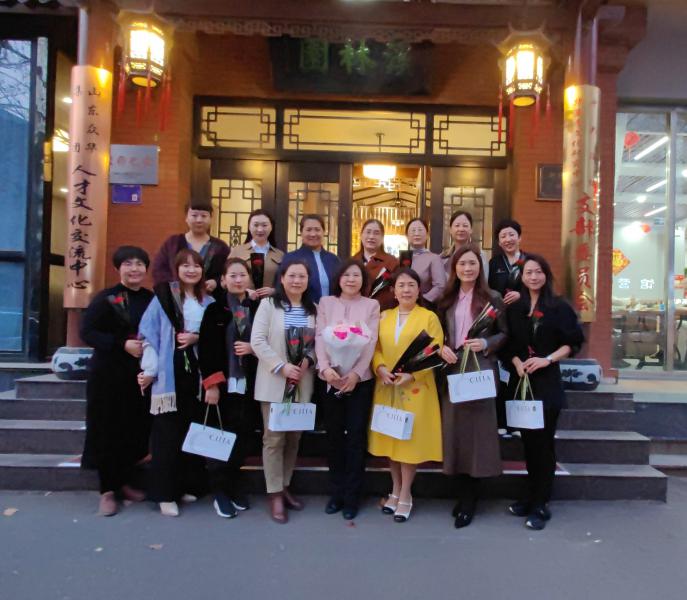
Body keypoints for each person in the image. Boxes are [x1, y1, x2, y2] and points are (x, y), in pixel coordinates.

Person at [503, 254, 584, 531]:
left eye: (538, 271)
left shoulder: (558, 306)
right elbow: (508, 344)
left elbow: (572, 343)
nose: (533, 277)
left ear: (546, 275)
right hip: (522, 382)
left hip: (546, 382)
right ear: (522, 277)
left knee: (544, 444)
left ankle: (541, 502)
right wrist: (517, 363)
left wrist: (546, 360)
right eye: (528, 272)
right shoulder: (516, 308)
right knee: (528, 443)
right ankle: (530, 495)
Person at [138, 248, 214, 517]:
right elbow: (149, 334)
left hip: (198, 373)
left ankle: (185, 485)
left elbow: (215, 337)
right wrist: (149, 369)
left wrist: (197, 338)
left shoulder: (208, 301)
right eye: (186, 266)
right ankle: (164, 494)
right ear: (177, 269)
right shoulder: (163, 298)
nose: (191, 270)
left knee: (190, 431)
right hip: (169, 373)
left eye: (196, 266)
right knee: (167, 435)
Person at [437, 244, 507, 529]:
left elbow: (504, 334)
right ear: (454, 268)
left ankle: (470, 499)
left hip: (480, 369)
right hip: (453, 369)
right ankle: (460, 492)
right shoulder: (446, 300)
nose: (467, 268)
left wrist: (486, 342)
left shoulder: (492, 298)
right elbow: (438, 333)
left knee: (477, 434)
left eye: (472, 263)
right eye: (462, 263)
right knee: (455, 432)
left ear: (480, 267)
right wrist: (441, 347)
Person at [81, 246, 154, 517]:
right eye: (128, 264)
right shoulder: (106, 298)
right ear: (118, 268)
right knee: (106, 430)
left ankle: (124, 482)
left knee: (132, 429)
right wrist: (121, 344)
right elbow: (87, 331)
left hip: (139, 376)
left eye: (139, 264)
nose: (134, 269)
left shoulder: (150, 299)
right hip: (108, 375)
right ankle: (107, 491)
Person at [368, 268, 444, 523]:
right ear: (394, 291)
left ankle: (405, 494)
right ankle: (395, 489)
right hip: (387, 386)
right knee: (391, 440)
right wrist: (379, 367)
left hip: (415, 388)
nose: (406, 290)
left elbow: (435, 349)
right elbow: (375, 347)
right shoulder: (384, 317)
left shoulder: (429, 317)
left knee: (408, 443)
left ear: (419, 289)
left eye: (411, 285)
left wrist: (412, 375)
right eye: (401, 285)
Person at [250, 260, 317, 523]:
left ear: (308, 281)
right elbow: (257, 341)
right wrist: (282, 366)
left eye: (302, 276)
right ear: (282, 278)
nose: (297, 281)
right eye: (292, 276)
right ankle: (274, 493)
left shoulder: (314, 309)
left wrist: (308, 361)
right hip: (274, 381)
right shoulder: (269, 305)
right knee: (274, 439)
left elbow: (319, 343)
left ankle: (285, 484)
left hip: (302, 381)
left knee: (294, 437)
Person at [315, 259, 380, 520]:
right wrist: (325, 369)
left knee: (355, 437)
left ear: (363, 280)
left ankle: (352, 496)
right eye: (346, 275)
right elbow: (320, 337)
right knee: (333, 437)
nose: (351, 280)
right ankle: (336, 493)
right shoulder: (326, 303)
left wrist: (356, 373)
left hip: (359, 382)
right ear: (338, 279)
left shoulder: (371, 305)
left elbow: (371, 342)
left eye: (356, 275)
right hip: (330, 380)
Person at [198, 257, 261, 518]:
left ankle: (234, 485)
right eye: (232, 275)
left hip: (251, 383)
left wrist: (253, 348)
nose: (238, 280)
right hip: (223, 384)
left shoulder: (257, 308)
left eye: (242, 275)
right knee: (220, 437)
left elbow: (270, 341)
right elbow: (206, 349)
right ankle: (220, 491)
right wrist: (212, 385)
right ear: (223, 280)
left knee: (243, 436)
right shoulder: (215, 310)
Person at [151, 200, 230, 298]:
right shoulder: (173, 243)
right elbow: (159, 270)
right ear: (186, 218)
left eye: (204, 216)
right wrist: (176, 286)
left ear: (211, 218)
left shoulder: (221, 247)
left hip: (210, 300)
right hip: (176, 299)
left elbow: (228, 272)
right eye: (194, 215)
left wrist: (216, 282)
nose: (199, 220)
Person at [281, 214, 340, 303]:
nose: (313, 234)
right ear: (301, 232)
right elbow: (280, 288)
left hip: (331, 310)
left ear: (324, 232)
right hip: (302, 309)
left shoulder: (333, 260)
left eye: (317, 230)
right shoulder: (290, 258)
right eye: (308, 230)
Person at [229, 208, 284, 298]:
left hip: (270, 302)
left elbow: (286, 281)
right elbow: (225, 279)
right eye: (256, 225)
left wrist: (274, 291)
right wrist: (245, 291)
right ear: (249, 227)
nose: (260, 229)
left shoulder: (280, 255)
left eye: (264, 225)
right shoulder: (237, 251)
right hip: (242, 302)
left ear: (271, 227)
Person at [352, 218, 399, 311]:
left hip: (383, 312)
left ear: (382, 238)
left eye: (376, 233)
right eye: (368, 232)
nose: (371, 236)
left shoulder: (392, 262)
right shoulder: (353, 261)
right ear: (361, 235)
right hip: (356, 311)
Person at [404, 218, 446, 306]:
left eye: (420, 230)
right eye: (413, 230)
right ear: (407, 236)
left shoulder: (434, 258)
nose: (416, 233)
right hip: (402, 305)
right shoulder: (402, 257)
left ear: (427, 235)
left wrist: (422, 301)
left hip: (424, 306)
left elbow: (440, 286)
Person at [488, 218, 527, 306]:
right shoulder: (494, 263)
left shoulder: (529, 261)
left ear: (519, 238)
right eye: (503, 236)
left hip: (524, 310)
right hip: (500, 311)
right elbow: (489, 289)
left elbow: (538, 288)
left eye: (511, 235)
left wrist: (521, 295)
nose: (508, 239)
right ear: (499, 242)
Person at [440, 211, 490, 279]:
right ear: (450, 230)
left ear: (471, 230)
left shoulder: (480, 255)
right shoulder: (443, 258)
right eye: (457, 225)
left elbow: (483, 281)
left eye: (465, 225)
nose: (461, 229)